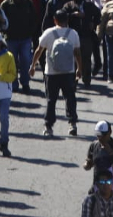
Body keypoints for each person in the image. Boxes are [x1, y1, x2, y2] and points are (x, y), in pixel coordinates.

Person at [32, 9, 81, 137]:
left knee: (51, 100)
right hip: (68, 72)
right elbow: (77, 53)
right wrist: (79, 69)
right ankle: (72, 123)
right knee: (70, 98)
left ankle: (48, 126)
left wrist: (33, 65)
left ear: (55, 20)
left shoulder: (49, 33)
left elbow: (39, 50)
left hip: (51, 73)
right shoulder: (73, 34)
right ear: (67, 20)